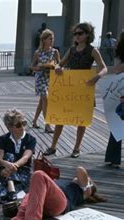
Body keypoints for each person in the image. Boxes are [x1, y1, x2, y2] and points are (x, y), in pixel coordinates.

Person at [0, 167, 106, 220]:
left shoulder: (85, 191)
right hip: (39, 202)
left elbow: (80, 170)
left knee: (39, 175)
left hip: (59, 202)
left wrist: (88, 183)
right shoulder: (66, 182)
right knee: (23, 214)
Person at [44, 22, 107, 158]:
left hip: (84, 90)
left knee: (81, 120)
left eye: (80, 33)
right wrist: (57, 68)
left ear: (87, 35)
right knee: (60, 118)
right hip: (69, 90)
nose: (77, 36)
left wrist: (97, 77)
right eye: (75, 34)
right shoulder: (72, 50)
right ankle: (53, 146)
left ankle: (77, 148)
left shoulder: (92, 50)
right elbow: (59, 64)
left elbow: (104, 68)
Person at [0, 109, 36, 203]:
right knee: (9, 156)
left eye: (24, 123)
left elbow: (25, 158)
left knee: (16, 182)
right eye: (19, 125)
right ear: (10, 127)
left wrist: (13, 166)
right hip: (4, 170)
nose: (22, 127)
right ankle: (11, 189)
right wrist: (7, 165)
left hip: (23, 170)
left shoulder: (30, 139)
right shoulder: (3, 139)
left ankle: (4, 194)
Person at [30, 29, 60, 133]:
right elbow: (32, 66)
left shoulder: (55, 52)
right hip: (40, 79)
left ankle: (34, 121)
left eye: (53, 39)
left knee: (42, 101)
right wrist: (40, 67)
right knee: (45, 99)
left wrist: (54, 67)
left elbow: (59, 65)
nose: (52, 41)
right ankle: (47, 125)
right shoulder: (37, 53)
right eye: (50, 39)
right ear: (44, 40)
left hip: (50, 79)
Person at [104, 31, 124, 168]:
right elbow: (117, 69)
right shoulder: (120, 53)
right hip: (121, 89)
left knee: (118, 123)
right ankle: (113, 158)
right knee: (118, 123)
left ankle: (113, 157)